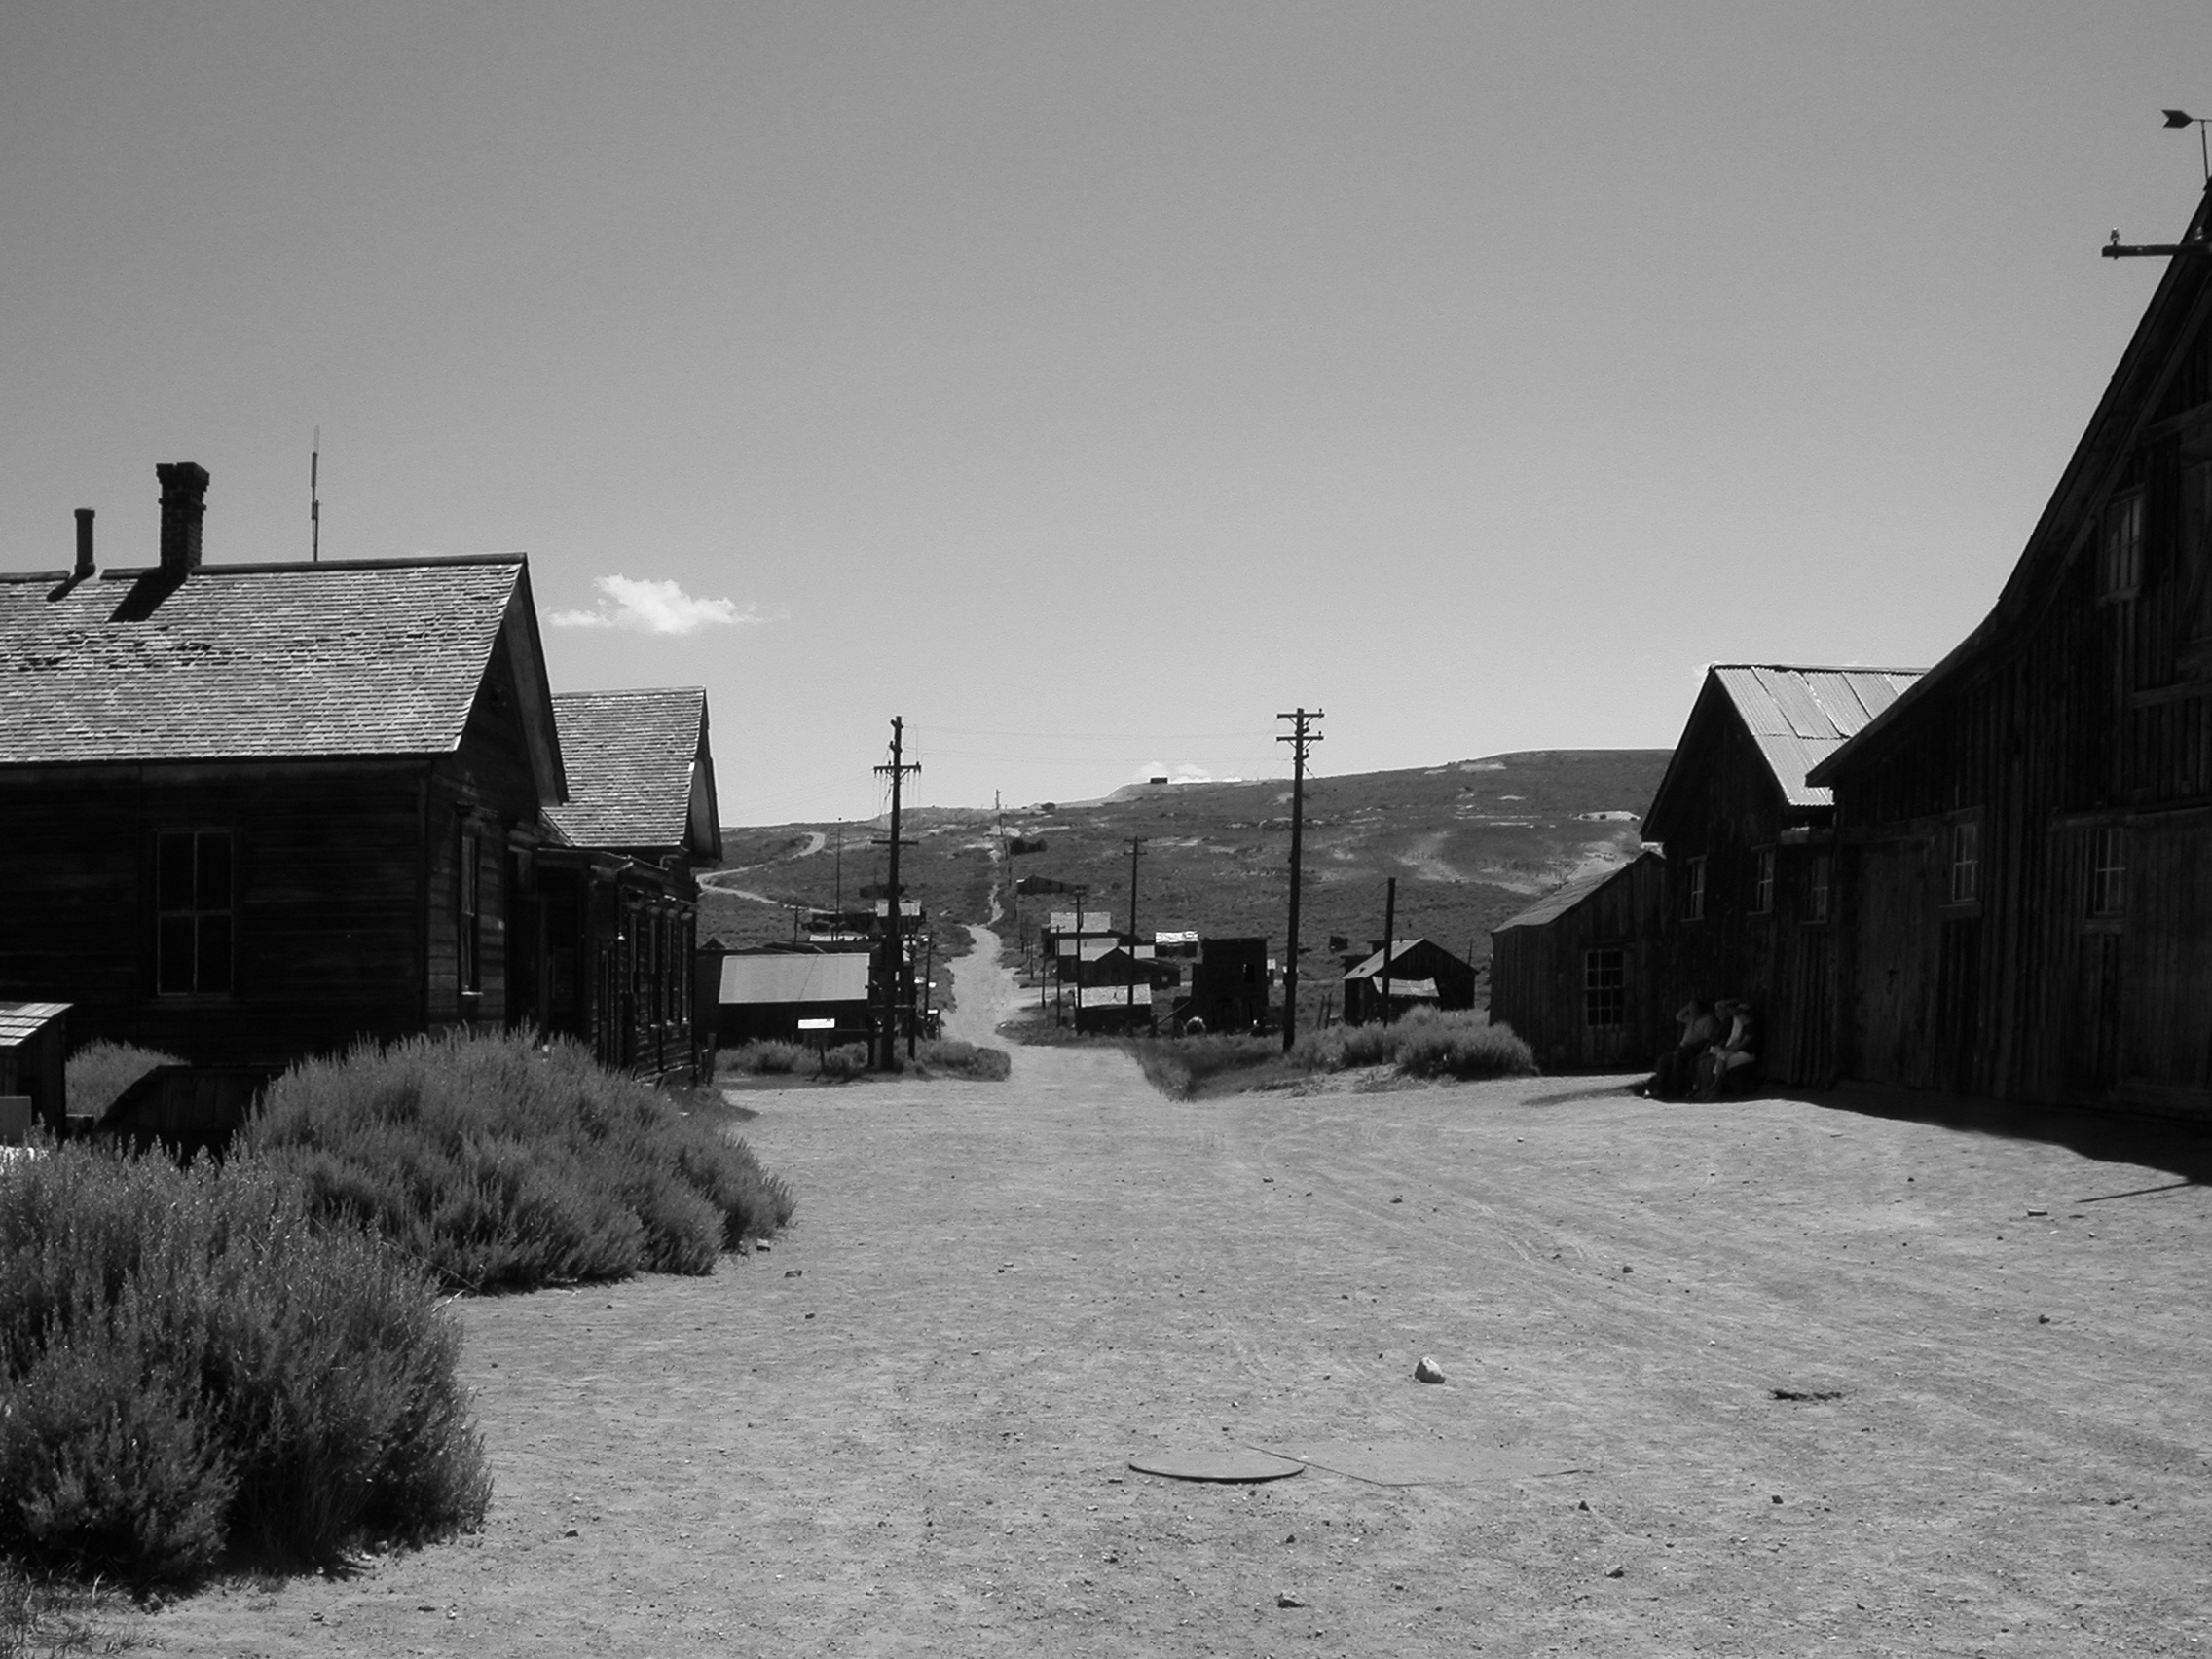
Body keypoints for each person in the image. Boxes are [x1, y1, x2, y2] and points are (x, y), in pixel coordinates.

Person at [1645, 997, 1716, 1100]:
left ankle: (1677, 1089)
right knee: (1663, 1060)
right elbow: (1678, 1016)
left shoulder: (1707, 1020)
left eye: (1694, 1008)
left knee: (1678, 1059)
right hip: (1683, 1047)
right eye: (1690, 1008)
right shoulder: (1691, 1019)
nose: (1691, 1011)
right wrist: (1688, 1007)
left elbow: (1706, 1039)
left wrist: (1692, 1047)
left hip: (1695, 1048)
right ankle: (1660, 1088)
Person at [1695, 999, 1758, 1099]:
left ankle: (1715, 1088)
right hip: (1738, 1052)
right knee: (1720, 1057)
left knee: (1721, 1061)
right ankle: (1712, 1088)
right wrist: (1727, 1049)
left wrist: (1728, 1050)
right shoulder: (1744, 1026)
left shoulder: (1752, 1025)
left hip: (1747, 1053)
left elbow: (1743, 1043)